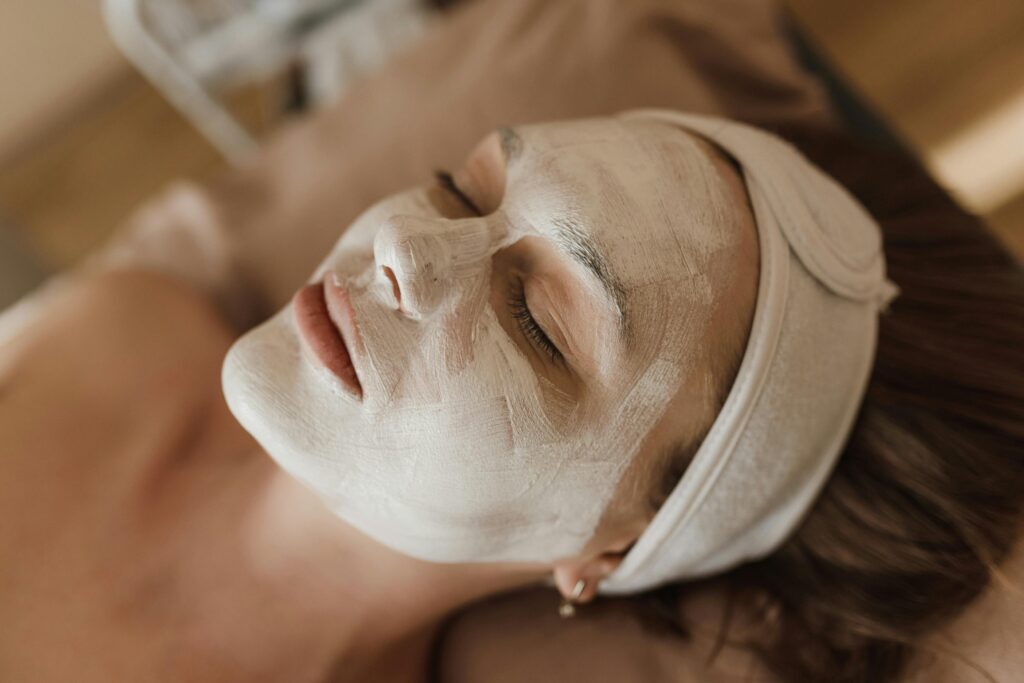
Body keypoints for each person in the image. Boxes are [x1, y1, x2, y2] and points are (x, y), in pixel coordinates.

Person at [1, 1, 1021, 682]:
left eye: (538, 323)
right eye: (463, 189)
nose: (401, 241)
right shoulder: (127, 327)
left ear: (602, 551)